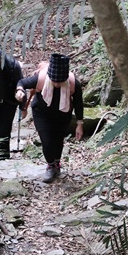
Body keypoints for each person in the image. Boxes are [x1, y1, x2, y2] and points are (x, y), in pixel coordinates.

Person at [15, 53, 84, 183]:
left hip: (63, 114)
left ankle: (57, 164)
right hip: (42, 113)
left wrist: (79, 124)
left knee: (58, 141)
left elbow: (79, 103)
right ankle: (50, 165)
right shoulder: (41, 78)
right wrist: (20, 91)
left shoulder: (74, 83)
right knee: (47, 142)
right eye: (54, 81)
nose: (57, 84)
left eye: (60, 82)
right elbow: (22, 83)